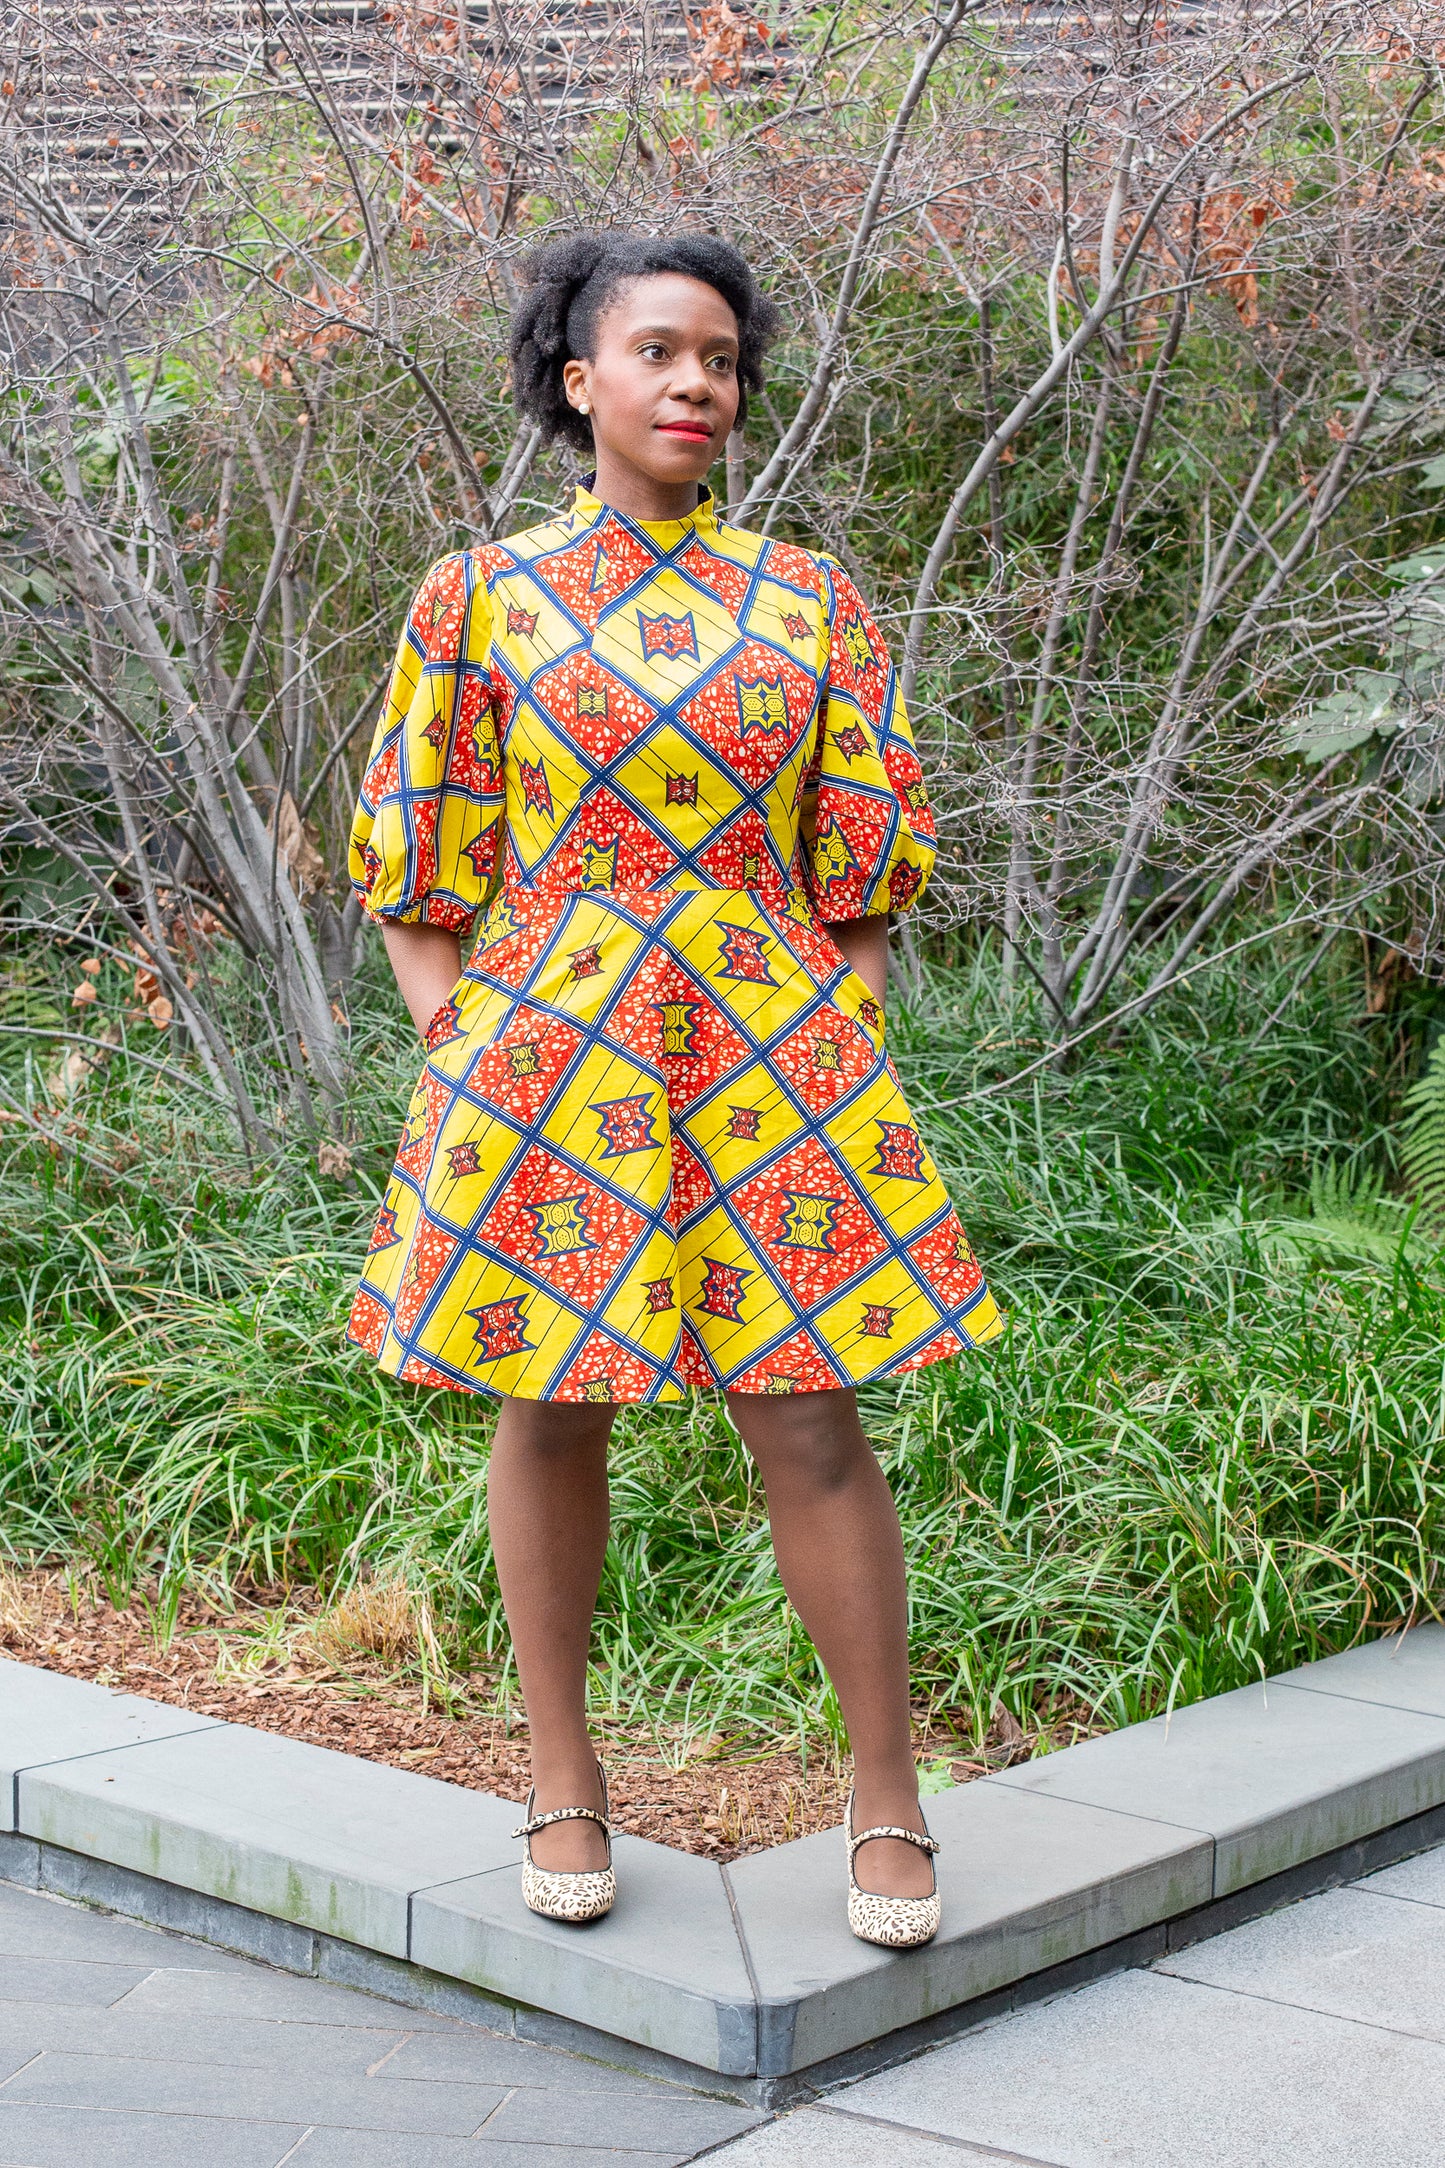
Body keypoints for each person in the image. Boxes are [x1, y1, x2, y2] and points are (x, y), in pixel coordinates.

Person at [347, 230, 1002, 1949]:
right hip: (548, 1062)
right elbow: (421, 859)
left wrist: (831, 1029)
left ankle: (885, 1795)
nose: (697, 383)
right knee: (550, 1402)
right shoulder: (477, 597)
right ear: (581, 382)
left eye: (719, 358)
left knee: (806, 1411)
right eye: (657, 353)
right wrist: (457, 1034)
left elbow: (864, 873)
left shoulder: (810, 600)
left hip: (773, 1062)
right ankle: (563, 1779)